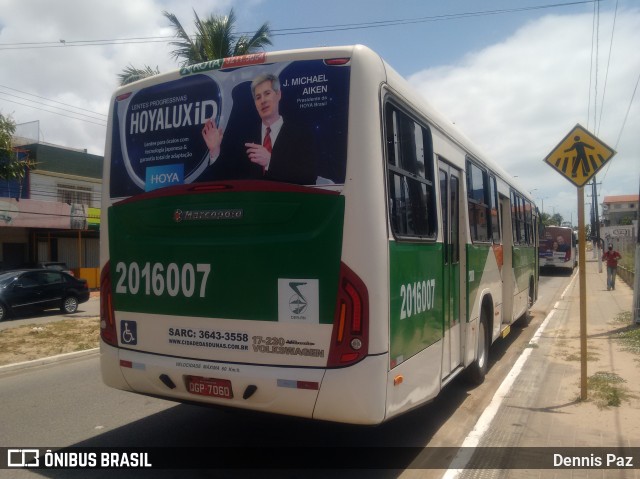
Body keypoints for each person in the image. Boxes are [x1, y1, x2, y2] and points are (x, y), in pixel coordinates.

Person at [201, 73, 316, 185]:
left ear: (278, 94)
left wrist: (270, 162)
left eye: (267, 93)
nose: (263, 101)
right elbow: (224, 177)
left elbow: (309, 177)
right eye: (258, 97)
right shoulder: (244, 138)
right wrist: (215, 150)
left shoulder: (301, 134)